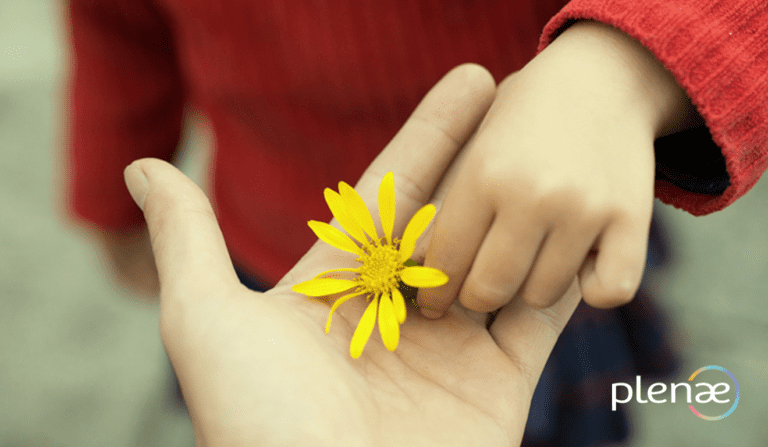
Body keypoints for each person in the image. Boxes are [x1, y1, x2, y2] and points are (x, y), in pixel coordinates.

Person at [65, 0, 768, 444]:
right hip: (282, 264)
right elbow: (115, 31)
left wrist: (627, 67)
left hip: (517, 251)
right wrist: (111, 186)